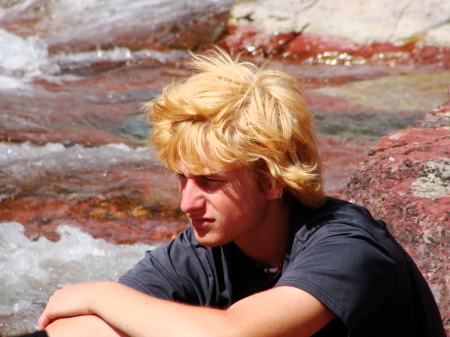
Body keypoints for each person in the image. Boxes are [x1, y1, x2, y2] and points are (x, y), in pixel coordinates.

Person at [32, 48, 445, 337]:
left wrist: (98, 293)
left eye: (210, 182)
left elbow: (236, 333)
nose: (186, 203)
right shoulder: (201, 252)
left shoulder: (348, 249)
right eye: (182, 179)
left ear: (270, 180)